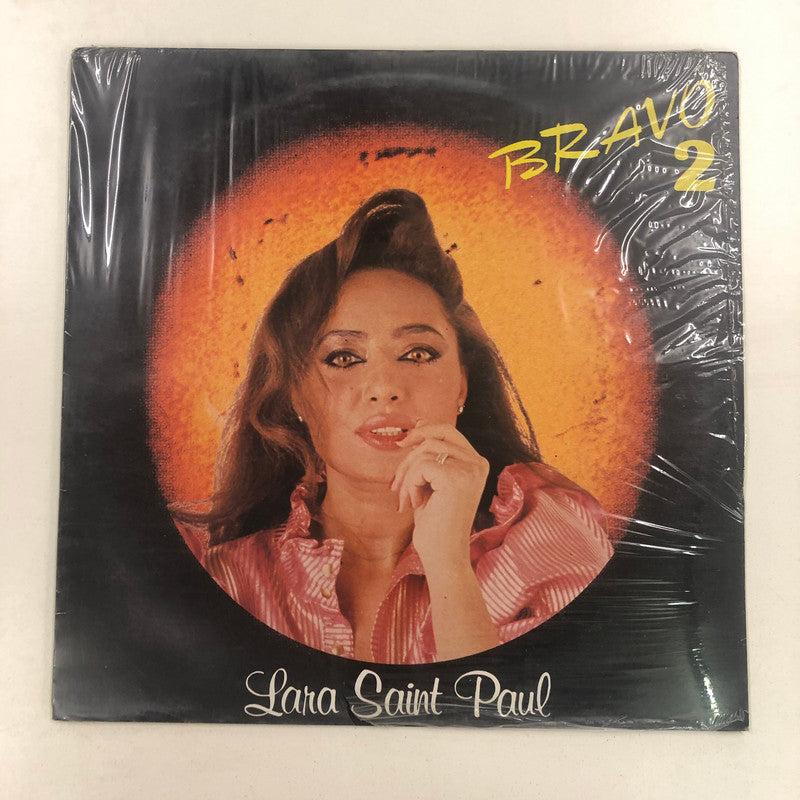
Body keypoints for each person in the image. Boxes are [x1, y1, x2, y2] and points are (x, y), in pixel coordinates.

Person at [173, 189, 612, 664]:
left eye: (417, 354)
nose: (384, 388)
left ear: (462, 384)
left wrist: (448, 564)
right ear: (294, 395)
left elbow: (519, 710)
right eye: (344, 358)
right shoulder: (212, 572)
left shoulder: (552, 541)